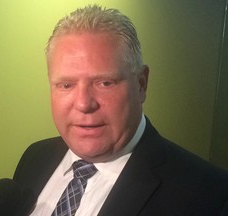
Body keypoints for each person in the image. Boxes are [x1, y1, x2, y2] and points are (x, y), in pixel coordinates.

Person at [13, 5, 228, 216]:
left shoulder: (211, 196)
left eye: (105, 83)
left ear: (141, 84)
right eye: (66, 85)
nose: (83, 104)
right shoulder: (35, 157)